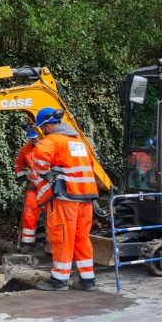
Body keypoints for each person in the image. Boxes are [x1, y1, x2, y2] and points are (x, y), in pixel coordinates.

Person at [27, 107, 99, 292]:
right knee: (82, 238)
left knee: (62, 238)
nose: (42, 132)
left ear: (49, 126)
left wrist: (48, 175)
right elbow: (90, 165)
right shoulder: (79, 142)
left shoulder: (52, 140)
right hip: (86, 196)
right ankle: (87, 280)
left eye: (42, 128)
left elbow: (39, 158)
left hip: (65, 197)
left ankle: (59, 280)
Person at [14, 125, 50, 251]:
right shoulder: (26, 149)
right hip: (34, 187)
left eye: (35, 138)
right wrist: (21, 175)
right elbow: (19, 164)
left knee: (53, 214)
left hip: (49, 187)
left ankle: (51, 241)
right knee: (29, 214)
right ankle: (27, 244)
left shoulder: (50, 146)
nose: (33, 140)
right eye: (31, 139)